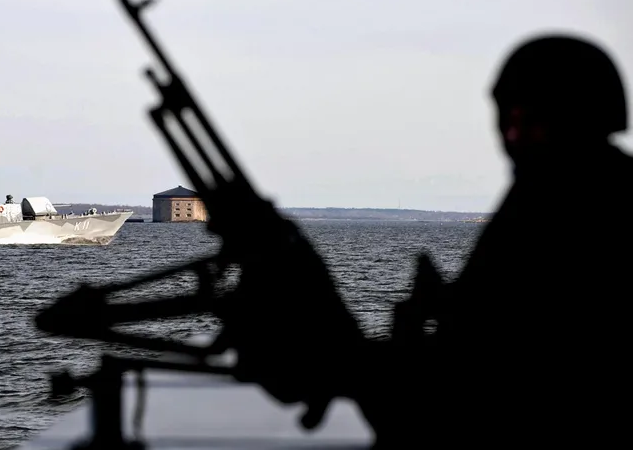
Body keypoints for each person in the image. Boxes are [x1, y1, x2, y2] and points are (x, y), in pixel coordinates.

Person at [234, 34, 633, 448]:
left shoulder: (559, 200)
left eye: (527, 119)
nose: (512, 135)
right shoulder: (582, 190)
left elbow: (471, 383)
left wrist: (358, 354)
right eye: (509, 119)